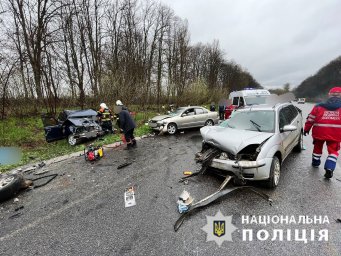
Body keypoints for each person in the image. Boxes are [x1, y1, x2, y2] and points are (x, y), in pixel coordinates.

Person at [304, 87, 341, 179]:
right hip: (335, 134)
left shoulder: (319, 106)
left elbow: (310, 119)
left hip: (319, 133)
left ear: (329, 95)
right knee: (333, 151)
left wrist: (306, 129)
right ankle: (329, 168)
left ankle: (315, 163)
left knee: (317, 148)